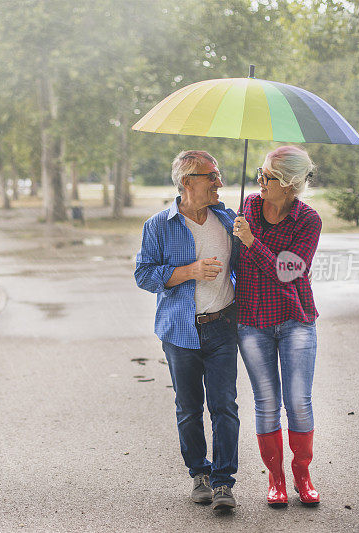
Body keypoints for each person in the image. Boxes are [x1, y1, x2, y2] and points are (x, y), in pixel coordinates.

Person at [135, 150, 241, 512]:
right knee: (189, 408)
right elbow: (144, 275)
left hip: (223, 326)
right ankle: (200, 474)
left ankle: (225, 482)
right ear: (187, 182)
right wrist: (188, 271)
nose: (219, 183)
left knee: (225, 406)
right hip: (180, 332)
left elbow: (244, 266)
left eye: (219, 175)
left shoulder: (227, 219)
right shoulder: (158, 225)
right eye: (211, 176)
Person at [232, 145, 322, 507]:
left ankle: (303, 475)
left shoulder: (308, 220)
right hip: (252, 320)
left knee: (298, 402)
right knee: (266, 403)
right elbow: (234, 260)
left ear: (288, 184)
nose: (259, 181)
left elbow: (288, 272)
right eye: (259, 172)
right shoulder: (247, 208)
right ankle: (277, 479)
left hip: (295, 319)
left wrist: (252, 242)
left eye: (267, 177)